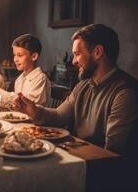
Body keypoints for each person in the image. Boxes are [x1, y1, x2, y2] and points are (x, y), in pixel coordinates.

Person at [14, 24, 138, 156]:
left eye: (77, 54)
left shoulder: (125, 92)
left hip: (98, 166)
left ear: (97, 52)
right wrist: (34, 110)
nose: (73, 61)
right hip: (76, 155)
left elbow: (111, 153)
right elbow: (59, 116)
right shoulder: (83, 85)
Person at [0, 34, 51, 107]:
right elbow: (14, 104)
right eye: (14, 55)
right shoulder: (19, 79)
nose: (15, 60)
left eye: (20, 55)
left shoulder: (41, 79)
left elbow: (27, 106)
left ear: (34, 56)